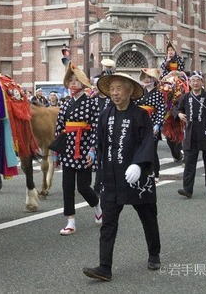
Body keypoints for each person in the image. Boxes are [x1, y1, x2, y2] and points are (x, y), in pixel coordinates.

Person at [83, 73, 161, 282]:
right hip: (111, 177)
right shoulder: (105, 114)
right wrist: (92, 152)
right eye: (112, 89)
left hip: (137, 176)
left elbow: (147, 142)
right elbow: (98, 140)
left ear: (129, 91)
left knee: (148, 216)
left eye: (119, 88)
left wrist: (138, 163)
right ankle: (104, 267)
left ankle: (154, 253)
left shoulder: (140, 115)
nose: (115, 93)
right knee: (108, 222)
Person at [55, 62, 102, 236]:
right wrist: (56, 153)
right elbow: (59, 127)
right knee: (67, 186)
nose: (73, 83)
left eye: (77, 80)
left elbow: (96, 128)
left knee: (83, 187)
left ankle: (97, 205)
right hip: (68, 147)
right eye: (71, 80)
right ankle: (70, 221)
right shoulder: (66, 104)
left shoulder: (91, 103)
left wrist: (92, 149)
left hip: (84, 147)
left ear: (83, 83)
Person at [173, 71, 206, 197]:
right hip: (191, 133)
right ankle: (187, 189)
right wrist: (179, 114)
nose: (195, 83)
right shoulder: (185, 97)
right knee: (189, 162)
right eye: (193, 80)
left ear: (202, 82)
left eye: (198, 80)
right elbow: (175, 108)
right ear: (189, 83)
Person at [135, 68, 166, 182]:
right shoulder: (140, 92)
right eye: (145, 77)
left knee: (152, 150)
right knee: (140, 148)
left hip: (152, 123)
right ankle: (143, 171)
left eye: (149, 77)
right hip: (140, 122)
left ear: (154, 79)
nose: (146, 79)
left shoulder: (158, 94)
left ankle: (155, 172)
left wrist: (158, 124)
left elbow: (161, 110)